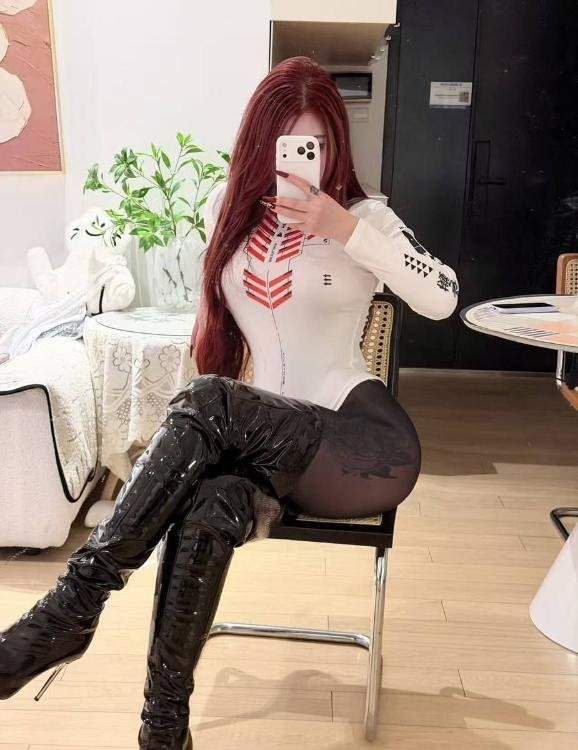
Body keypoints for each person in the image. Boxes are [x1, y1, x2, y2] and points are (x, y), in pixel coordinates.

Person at [0, 57, 458, 749]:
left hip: (361, 446)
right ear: (259, 145)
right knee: (209, 503)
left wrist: (344, 228)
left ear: (336, 144)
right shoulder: (229, 209)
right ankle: (163, 729)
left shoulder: (367, 218)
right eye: (288, 144)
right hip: (268, 446)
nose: (304, 160)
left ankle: (71, 608)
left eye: (318, 144)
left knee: (210, 400)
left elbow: (443, 295)